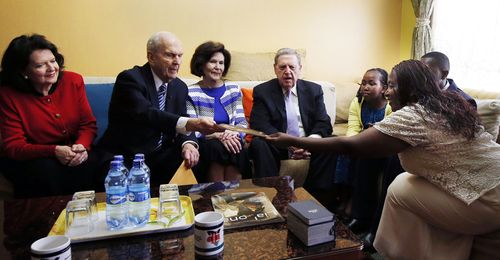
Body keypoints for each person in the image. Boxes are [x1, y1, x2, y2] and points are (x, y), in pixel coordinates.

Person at [267, 60, 500, 259]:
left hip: (489, 199)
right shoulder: (447, 105)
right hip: (490, 188)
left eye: (391, 85)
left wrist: (292, 140)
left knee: (401, 190)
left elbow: (349, 145)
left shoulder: (414, 115)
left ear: (409, 87)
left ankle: (386, 252)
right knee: (405, 182)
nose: (387, 92)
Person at [97, 32, 220, 187]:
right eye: (170, 55)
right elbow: (146, 113)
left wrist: (188, 143)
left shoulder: (179, 87)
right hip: (126, 157)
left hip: (158, 156)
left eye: (180, 56)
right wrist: (191, 123)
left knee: (195, 155)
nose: (177, 62)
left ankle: (197, 206)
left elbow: (182, 120)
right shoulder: (130, 79)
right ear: (151, 57)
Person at [0, 34, 98, 198]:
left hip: (72, 150)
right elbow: (14, 146)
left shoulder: (73, 81)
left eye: (53, 61)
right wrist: (53, 151)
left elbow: (88, 124)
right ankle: (50, 221)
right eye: (40, 65)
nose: (51, 68)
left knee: (102, 162)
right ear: (24, 71)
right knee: (46, 172)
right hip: (32, 157)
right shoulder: (7, 95)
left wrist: (82, 146)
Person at [249, 48, 337, 204]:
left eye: (292, 67)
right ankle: (269, 198)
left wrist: (309, 142)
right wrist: (288, 144)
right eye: (282, 67)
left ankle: (314, 198)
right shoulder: (263, 91)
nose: (287, 72)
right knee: (259, 144)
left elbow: (323, 122)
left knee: (331, 142)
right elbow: (259, 123)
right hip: (279, 145)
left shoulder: (314, 90)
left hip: (309, 144)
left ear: (300, 69)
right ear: (275, 69)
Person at [187, 41, 250, 181]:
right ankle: (215, 195)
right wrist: (217, 135)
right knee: (216, 147)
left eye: (221, 63)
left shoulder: (233, 89)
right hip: (207, 142)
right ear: (201, 64)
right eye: (213, 62)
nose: (218, 67)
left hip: (232, 138)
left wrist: (233, 132)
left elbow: (241, 122)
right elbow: (192, 128)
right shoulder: (190, 92)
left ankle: (233, 196)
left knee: (235, 145)